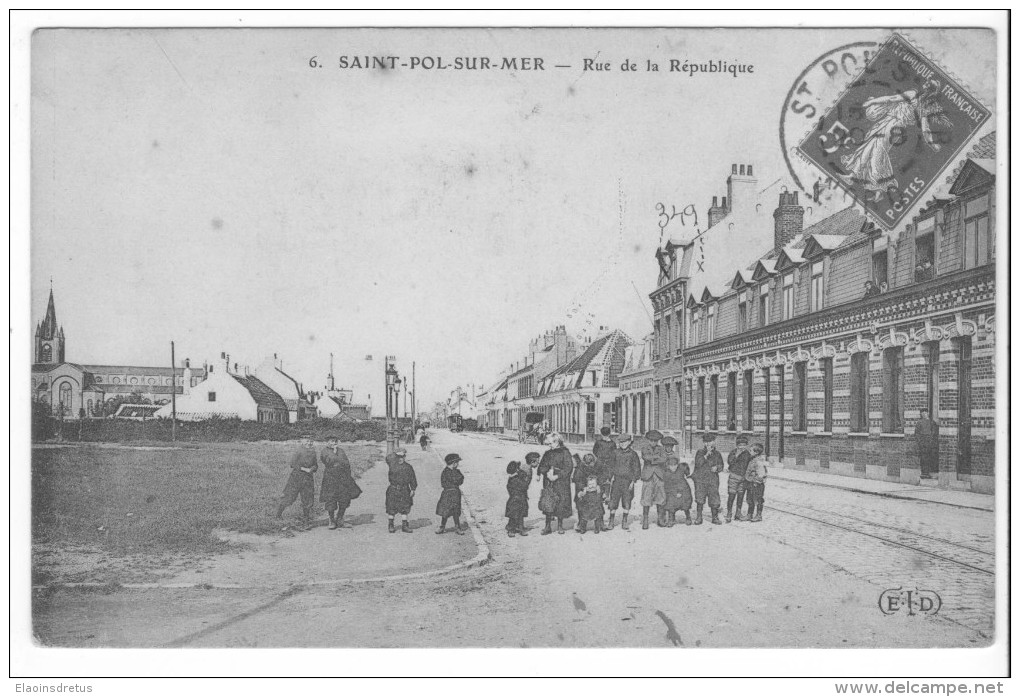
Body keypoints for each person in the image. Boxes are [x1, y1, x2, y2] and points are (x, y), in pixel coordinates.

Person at [319, 434, 362, 530]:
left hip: (343, 478)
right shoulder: (324, 451)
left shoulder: (341, 451)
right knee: (331, 498)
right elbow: (328, 462)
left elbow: (346, 463)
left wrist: (347, 474)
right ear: (327, 442)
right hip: (331, 478)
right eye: (331, 441)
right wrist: (334, 453)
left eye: (335, 441)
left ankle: (340, 519)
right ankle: (331, 520)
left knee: (344, 498)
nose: (334, 443)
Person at [276, 437, 318, 525]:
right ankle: (278, 515)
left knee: (308, 498)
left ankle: (306, 519)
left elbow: (315, 465)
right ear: (302, 442)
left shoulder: (313, 452)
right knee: (289, 496)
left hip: (308, 479)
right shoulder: (298, 451)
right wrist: (304, 469)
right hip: (296, 478)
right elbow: (292, 464)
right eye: (307, 441)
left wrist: (312, 469)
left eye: (311, 441)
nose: (309, 443)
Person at [538, 434, 573, 535]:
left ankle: (560, 525)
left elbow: (568, 467)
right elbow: (542, 465)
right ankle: (547, 526)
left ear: (557, 442)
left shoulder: (565, 452)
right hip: (549, 481)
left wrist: (557, 476)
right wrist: (546, 472)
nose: (550, 446)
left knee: (561, 502)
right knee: (548, 502)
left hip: (561, 482)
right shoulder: (547, 453)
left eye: (551, 443)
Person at [607, 433, 641, 530]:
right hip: (617, 480)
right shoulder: (615, 453)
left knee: (627, 501)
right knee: (613, 501)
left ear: (629, 442)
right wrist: (609, 477)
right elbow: (610, 466)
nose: (622, 444)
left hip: (628, 482)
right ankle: (611, 521)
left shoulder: (633, 454)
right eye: (620, 442)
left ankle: (625, 521)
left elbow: (637, 468)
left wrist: (633, 480)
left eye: (624, 442)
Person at [692, 433, 724, 525]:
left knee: (714, 498)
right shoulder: (700, 452)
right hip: (701, 479)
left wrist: (717, 468)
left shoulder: (717, 454)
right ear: (704, 443)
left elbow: (721, 465)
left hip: (712, 479)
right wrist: (706, 455)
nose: (709, 444)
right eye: (706, 442)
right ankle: (699, 517)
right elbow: (698, 464)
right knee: (700, 498)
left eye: (711, 441)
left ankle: (715, 517)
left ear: (714, 442)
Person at [640, 429, 668, 529]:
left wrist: (653, 458)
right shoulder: (644, 448)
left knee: (660, 496)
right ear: (648, 440)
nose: (653, 442)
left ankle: (660, 519)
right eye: (651, 440)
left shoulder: (662, 449)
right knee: (646, 497)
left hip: (659, 475)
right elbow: (645, 457)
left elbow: (664, 459)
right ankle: (645, 519)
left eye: (655, 441)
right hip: (648, 475)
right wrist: (656, 458)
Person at [385, 448, 417, 533]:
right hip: (393, 488)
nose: (400, 458)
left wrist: (413, 489)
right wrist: (394, 453)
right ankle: (391, 525)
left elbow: (413, 478)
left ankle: (405, 526)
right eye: (398, 457)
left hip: (405, 489)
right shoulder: (392, 465)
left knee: (405, 507)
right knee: (391, 507)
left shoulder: (408, 467)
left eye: (402, 457)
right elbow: (387, 457)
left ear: (405, 457)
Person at [435, 453, 466, 535]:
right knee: (445, 511)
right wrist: (455, 482)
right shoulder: (445, 472)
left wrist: (455, 481)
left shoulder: (457, 471)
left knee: (456, 510)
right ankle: (442, 527)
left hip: (455, 493)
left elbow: (461, 480)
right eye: (457, 462)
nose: (458, 464)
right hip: (447, 493)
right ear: (454, 463)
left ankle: (457, 527)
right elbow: (444, 483)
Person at [725, 435, 752, 523]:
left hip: (743, 478)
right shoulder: (733, 452)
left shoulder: (748, 454)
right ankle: (729, 513)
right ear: (737, 445)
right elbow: (730, 462)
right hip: (734, 476)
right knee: (731, 495)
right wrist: (736, 455)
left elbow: (750, 464)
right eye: (740, 445)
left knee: (740, 496)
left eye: (744, 445)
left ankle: (738, 513)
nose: (742, 447)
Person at [505, 458, 534, 538]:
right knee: (513, 516)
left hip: (521, 499)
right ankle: (511, 529)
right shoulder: (514, 480)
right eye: (518, 468)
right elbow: (524, 486)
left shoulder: (516, 477)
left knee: (521, 515)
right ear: (516, 470)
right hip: (515, 500)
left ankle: (520, 528)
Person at [662, 451, 693, 527]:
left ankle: (688, 517)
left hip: (683, 490)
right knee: (670, 502)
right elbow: (667, 485)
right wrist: (674, 493)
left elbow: (682, 483)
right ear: (668, 466)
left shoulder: (680, 471)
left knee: (685, 503)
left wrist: (679, 492)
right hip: (672, 492)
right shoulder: (666, 473)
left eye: (675, 465)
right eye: (671, 466)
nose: (673, 467)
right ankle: (671, 519)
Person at [571, 453, 599, 531]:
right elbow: (577, 480)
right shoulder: (579, 469)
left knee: (591, 507)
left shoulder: (586, 468)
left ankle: (596, 525)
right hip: (581, 491)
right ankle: (581, 524)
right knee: (581, 507)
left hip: (587, 491)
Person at [744, 443, 768, 522]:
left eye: (751, 451)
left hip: (757, 484)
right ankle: (749, 514)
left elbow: (762, 474)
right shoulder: (752, 460)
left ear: (756, 452)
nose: (749, 452)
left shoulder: (759, 461)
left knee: (758, 500)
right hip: (751, 483)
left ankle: (758, 515)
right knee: (750, 499)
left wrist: (756, 480)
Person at [915, 408, 940, 479]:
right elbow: (917, 433)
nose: (924, 414)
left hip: (930, 442)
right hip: (923, 443)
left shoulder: (932, 422)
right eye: (922, 413)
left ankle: (929, 472)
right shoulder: (919, 423)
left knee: (930, 457)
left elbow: (934, 432)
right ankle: (924, 473)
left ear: (928, 413)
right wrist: (920, 441)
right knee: (923, 458)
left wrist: (931, 440)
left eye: (925, 413)